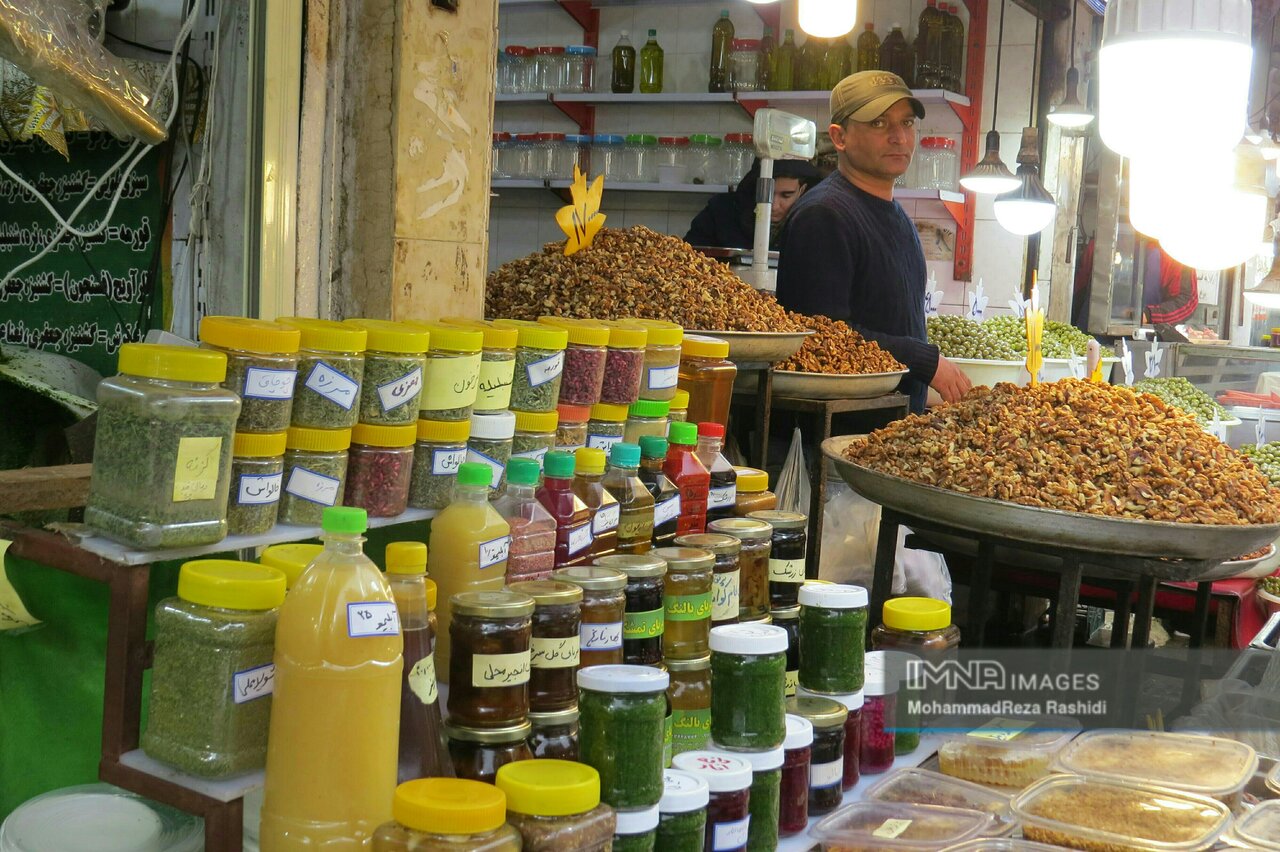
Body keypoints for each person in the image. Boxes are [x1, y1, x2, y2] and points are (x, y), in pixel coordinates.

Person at [775, 71, 971, 411]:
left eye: (907, 123)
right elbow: (820, 335)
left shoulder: (897, 217)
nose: (898, 137)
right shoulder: (824, 216)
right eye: (879, 124)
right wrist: (924, 361)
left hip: (886, 428)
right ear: (839, 137)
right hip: (835, 440)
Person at [684, 158, 821, 250]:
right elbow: (687, 257)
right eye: (764, 193)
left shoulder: (815, 224)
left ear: (802, 190)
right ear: (754, 186)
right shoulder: (721, 212)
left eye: (786, 195)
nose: (773, 206)